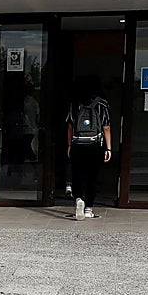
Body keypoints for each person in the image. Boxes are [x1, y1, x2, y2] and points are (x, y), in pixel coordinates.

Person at [65, 75, 112, 221]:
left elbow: (70, 127)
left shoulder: (74, 104)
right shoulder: (102, 105)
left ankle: (79, 199)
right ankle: (89, 209)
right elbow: (106, 128)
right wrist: (108, 148)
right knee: (92, 177)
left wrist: (69, 145)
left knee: (78, 174)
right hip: (95, 145)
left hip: (78, 144)